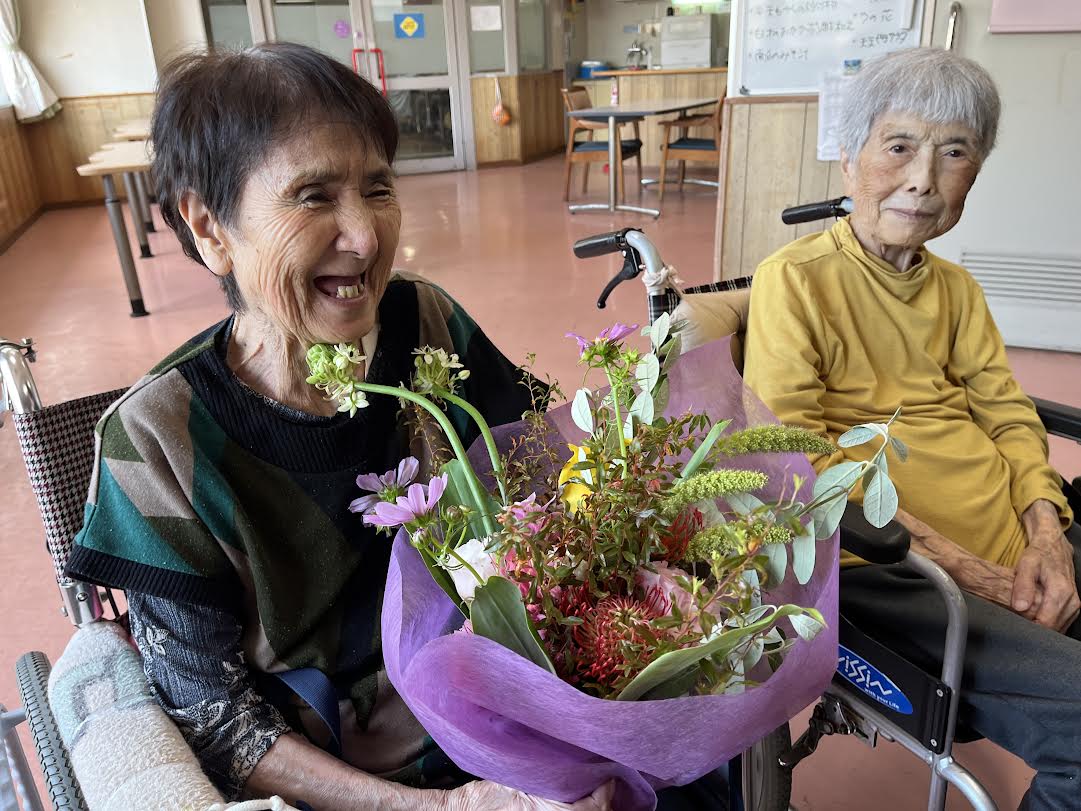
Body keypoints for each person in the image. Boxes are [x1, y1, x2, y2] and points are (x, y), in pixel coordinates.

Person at [65, 43, 612, 811]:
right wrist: (446, 809)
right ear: (209, 225)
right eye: (313, 196)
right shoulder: (154, 442)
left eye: (378, 187)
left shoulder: (427, 323)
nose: (364, 234)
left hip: (514, 706)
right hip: (352, 781)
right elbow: (220, 724)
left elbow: (551, 493)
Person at [743, 48, 1080, 809]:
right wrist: (976, 572)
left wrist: (1045, 534)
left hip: (1019, 556)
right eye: (898, 146)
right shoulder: (795, 281)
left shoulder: (956, 289)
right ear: (847, 159)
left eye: (953, 151)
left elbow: (1005, 410)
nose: (924, 177)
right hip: (893, 570)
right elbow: (799, 456)